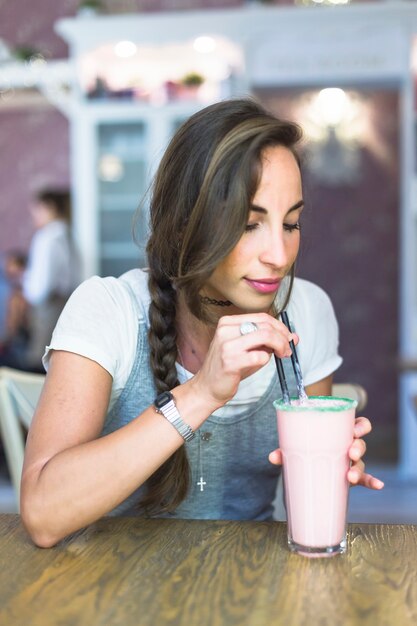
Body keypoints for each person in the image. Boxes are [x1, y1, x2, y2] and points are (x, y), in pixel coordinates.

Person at [21, 98, 383, 548]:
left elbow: (301, 507)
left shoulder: (307, 311)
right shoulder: (108, 308)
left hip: (247, 590)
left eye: (291, 223)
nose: (279, 256)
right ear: (183, 224)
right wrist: (200, 394)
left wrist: (327, 469)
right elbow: (42, 514)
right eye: (249, 224)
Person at [22, 189, 81, 372]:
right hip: (64, 302)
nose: (35, 216)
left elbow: (40, 286)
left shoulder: (47, 237)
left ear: (50, 208)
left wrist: (29, 291)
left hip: (48, 306)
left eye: (37, 210)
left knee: (39, 362)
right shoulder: (67, 235)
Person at [0, 250, 30, 369]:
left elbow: (14, 320)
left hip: (15, 342)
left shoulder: (19, 292)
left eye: (11, 264)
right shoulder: (11, 288)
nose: (7, 268)